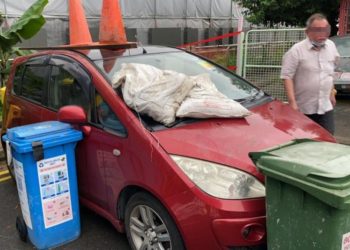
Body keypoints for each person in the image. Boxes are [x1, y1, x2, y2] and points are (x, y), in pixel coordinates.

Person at [281, 13, 339, 134]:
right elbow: (287, 76)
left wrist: (332, 92)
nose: (323, 34)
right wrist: (292, 103)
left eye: (325, 30)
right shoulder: (296, 50)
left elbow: (330, 72)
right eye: (318, 30)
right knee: (305, 141)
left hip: (325, 106)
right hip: (304, 108)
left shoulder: (331, 46)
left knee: (328, 139)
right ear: (307, 32)